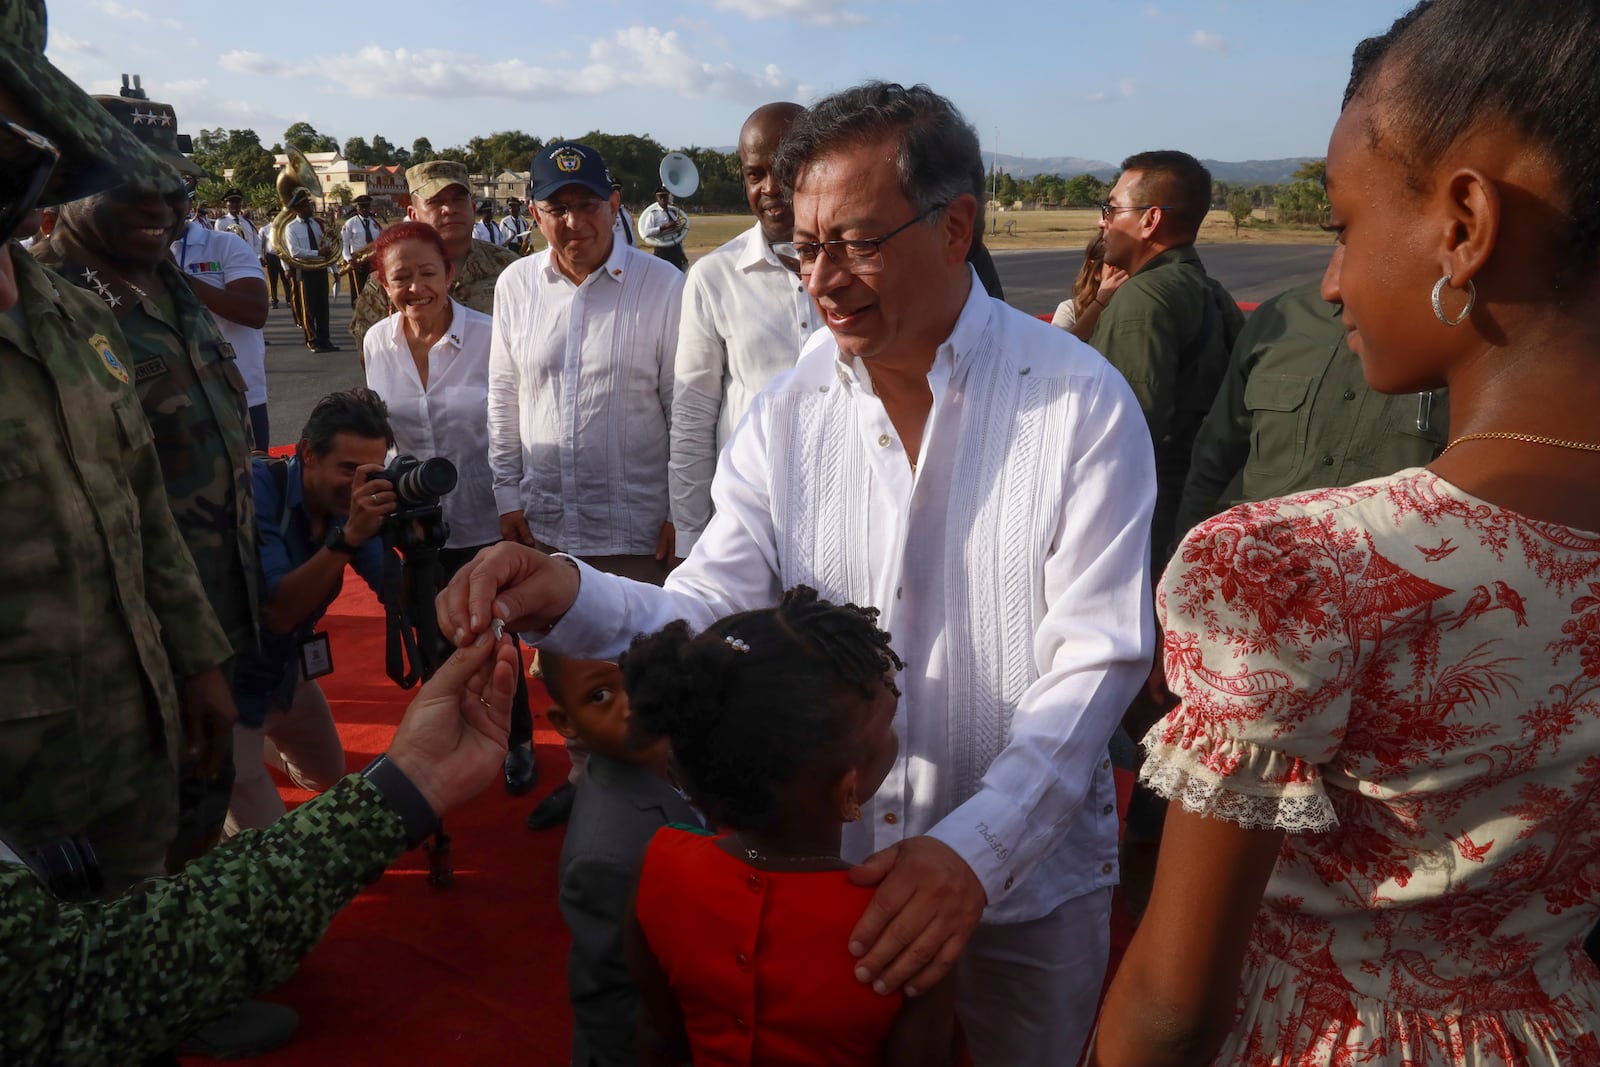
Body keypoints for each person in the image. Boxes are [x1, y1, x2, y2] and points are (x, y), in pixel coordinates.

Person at [444, 82, 1155, 1066]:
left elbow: (1097, 661)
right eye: (805, 246)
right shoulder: (788, 410)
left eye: (856, 243)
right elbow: (707, 604)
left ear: (955, 229)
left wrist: (973, 852)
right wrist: (568, 591)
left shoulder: (1080, 403)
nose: (822, 278)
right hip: (840, 884)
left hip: (1023, 888)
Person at [1092, 3, 1600, 1064]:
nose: (1330, 279)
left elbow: (1171, 1002)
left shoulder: (1295, 568)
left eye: (1341, 226)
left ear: (1463, 224)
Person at [2, 626, 521, 1067]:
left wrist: (409, 782)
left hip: (265, 682)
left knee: (318, 773)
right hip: (229, 694)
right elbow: (79, 988)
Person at [0, 0, 236, 896]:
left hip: (134, 737)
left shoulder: (71, 314)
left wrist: (201, 660)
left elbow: (140, 508)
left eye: (21, 122)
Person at [32, 86, 261, 867]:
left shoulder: (167, 283)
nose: (162, 197)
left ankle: (202, 984)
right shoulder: (45, 302)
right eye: (133, 177)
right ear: (66, 178)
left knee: (200, 816)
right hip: (121, 655)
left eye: (176, 179)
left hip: (216, 618)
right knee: (128, 856)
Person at [626, 587, 959, 1067]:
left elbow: (658, 1037)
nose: (896, 735)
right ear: (849, 788)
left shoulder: (660, 865)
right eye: (887, 724)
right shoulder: (904, 923)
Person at [489, 139, 684, 829]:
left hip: (635, 519)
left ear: (616, 204)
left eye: (588, 205)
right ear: (535, 214)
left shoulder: (662, 286)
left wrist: (683, 514)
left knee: (643, 672)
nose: (575, 222)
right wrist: (508, 495)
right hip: (549, 521)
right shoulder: (516, 286)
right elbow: (504, 394)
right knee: (569, 673)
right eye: (557, 208)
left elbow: (683, 408)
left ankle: (658, 799)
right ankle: (585, 783)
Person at [362, 220, 539, 796]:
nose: (416, 288)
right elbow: (380, 436)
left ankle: (517, 741)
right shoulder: (376, 343)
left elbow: (515, 425)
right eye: (400, 278)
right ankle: (448, 739)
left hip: (487, 513)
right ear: (382, 286)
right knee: (432, 636)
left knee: (491, 634)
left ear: (451, 275)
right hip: (416, 522)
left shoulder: (492, 337)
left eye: (427, 273)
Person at [226, 389, 396, 833]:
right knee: (264, 851)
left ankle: (256, 742)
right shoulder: (255, 490)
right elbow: (278, 612)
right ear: (307, 454)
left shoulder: (345, 504)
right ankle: (211, 759)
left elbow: (394, 589)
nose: (357, 483)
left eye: (370, 471)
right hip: (226, 684)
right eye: (347, 469)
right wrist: (350, 538)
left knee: (327, 778)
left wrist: (415, 540)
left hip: (286, 669)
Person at [1174, 278, 1449, 537]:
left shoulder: (1462, 334)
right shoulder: (1279, 318)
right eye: (1341, 233)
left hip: (1383, 569)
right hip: (1252, 561)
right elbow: (1215, 454)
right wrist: (1181, 555)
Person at [670, 102, 818, 559]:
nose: (771, 188)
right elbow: (693, 419)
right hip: (750, 529)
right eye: (756, 175)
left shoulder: (865, 267)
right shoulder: (715, 277)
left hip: (851, 517)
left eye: (785, 170)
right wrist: (692, 539)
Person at [1088, 149, 1244, 568]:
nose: (1102, 222)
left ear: (1150, 220)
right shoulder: (1210, 291)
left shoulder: (1143, 298)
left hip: (1147, 519)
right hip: (1193, 506)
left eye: (1112, 209)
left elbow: (1126, 431)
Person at [546, 647, 698, 1067]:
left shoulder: (672, 755)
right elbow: (615, 1011)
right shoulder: (604, 860)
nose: (634, 704)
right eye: (600, 696)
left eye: (640, 677)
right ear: (565, 723)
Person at [350, 160, 518, 350]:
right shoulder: (385, 283)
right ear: (413, 215)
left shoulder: (510, 269)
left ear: (472, 208)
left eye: (458, 199)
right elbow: (374, 358)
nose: (449, 209)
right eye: (435, 201)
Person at [172, 194, 271, 449]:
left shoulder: (226, 245)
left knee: (254, 484)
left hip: (238, 396)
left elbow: (255, 312)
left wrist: (173, 274)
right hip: (170, 403)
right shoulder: (125, 258)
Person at [284, 189, 336, 351]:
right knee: (309, 308)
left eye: (309, 205)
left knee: (323, 308)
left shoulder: (318, 224)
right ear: (298, 209)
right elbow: (294, 251)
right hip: (304, 271)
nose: (310, 208)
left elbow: (328, 246)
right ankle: (312, 341)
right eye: (306, 206)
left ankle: (325, 340)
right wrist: (317, 253)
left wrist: (333, 267)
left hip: (320, 269)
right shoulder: (291, 228)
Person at [1051, 232, 1127, 341]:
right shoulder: (1070, 310)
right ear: (1095, 269)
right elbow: (1060, 351)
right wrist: (1099, 303)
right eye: (1117, 267)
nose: (1125, 274)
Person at [340, 193, 381, 308]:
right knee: (358, 290)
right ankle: (358, 312)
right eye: (361, 207)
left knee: (373, 289)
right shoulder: (350, 223)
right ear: (356, 208)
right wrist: (349, 260)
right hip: (357, 262)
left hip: (373, 261)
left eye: (366, 206)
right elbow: (345, 243)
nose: (364, 209)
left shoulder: (374, 223)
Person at [638, 186, 688, 271]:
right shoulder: (653, 214)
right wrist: (663, 227)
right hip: (662, 249)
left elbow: (678, 235)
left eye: (665, 197)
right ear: (657, 199)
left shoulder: (673, 212)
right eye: (660, 197)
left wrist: (682, 253)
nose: (663, 199)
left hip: (675, 248)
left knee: (677, 274)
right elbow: (646, 232)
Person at [216, 188, 261, 259]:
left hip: (251, 260)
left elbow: (257, 242)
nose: (235, 205)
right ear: (226, 204)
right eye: (232, 202)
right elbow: (220, 245)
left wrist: (254, 255)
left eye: (237, 202)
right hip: (232, 262)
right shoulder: (221, 222)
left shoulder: (248, 222)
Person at [261, 209, 285, 308]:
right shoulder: (265, 229)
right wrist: (261, 256)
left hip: (282, 256)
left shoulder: (284, 228)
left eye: (277, 215)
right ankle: (274, 300)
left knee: (285, 278)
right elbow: (261, 243)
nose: (275, 217)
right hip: (271, 256)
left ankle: (289, 299)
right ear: (269, 217)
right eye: (273, 215)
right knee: (272, 280)